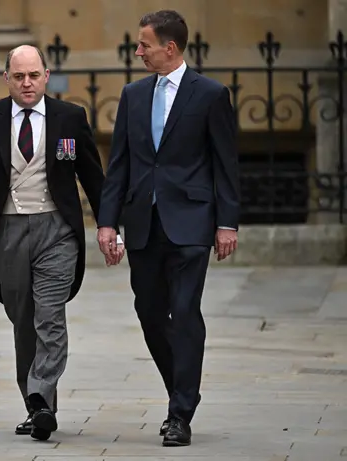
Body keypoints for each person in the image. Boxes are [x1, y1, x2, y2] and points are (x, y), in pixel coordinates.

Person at [0, 44, 123, 441]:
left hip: (57, 230)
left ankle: (41, 400)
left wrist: (109, 226)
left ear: (47, 76)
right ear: (6, 79)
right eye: (19, 76)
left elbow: (93, 177)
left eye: (34, 75)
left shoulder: (70, 117)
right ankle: (36, 405)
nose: (27, 83)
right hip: (8, 229)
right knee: (23, 320)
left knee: (49, 315)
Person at [97, 10, 240, 447]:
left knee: (185, 310)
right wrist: (107, 222)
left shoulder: (211, 95)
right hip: (143, 223)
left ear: (170, 48)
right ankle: (180, 389)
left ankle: (180, 412)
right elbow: (118, 163)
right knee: (150, 311)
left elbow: (225, 163)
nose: (138, 51)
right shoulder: (133, 95)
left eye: (144, 44)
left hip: (192, 223)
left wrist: (227, 222)